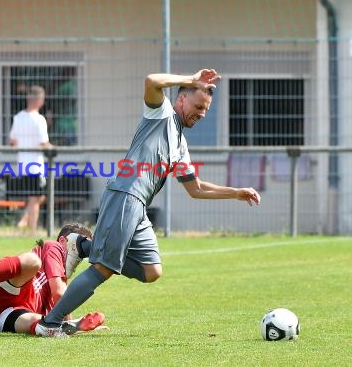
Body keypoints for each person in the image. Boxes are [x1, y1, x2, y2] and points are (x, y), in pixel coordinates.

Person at [35, 69, 262, 337]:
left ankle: (83, 245)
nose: (202, 113)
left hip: (138, 206)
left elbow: (196, 188)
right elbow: (152, 81)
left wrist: (235, 192)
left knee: (151, 270)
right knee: (104, 268)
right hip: (126, 194)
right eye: (198, 106)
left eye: (206, 110)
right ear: (181, 100)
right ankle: (49, 323)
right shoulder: (161, 114)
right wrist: (191, 79)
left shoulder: (180, 143)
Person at [0, 223, 105, 336]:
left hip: (7, 315)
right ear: (64, 240)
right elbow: (60, 295)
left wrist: (73, 326)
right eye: (81, 248)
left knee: (43, 323)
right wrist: (74, 322)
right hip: (10, 289)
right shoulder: (53, 247)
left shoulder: (61, 279)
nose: (80, 256)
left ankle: (57, 329)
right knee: (32, 261)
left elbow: (60, 304)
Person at [9, 85, 51, 235]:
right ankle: (31, 229)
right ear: (39, 99)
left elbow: (12, 141)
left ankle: (25, 220)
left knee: (38, 196)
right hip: (35, 165)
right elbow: (44, 142)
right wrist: (54, 148)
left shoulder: (18, 117)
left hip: (22, 163)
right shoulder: (39, 119)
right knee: (35, 197)